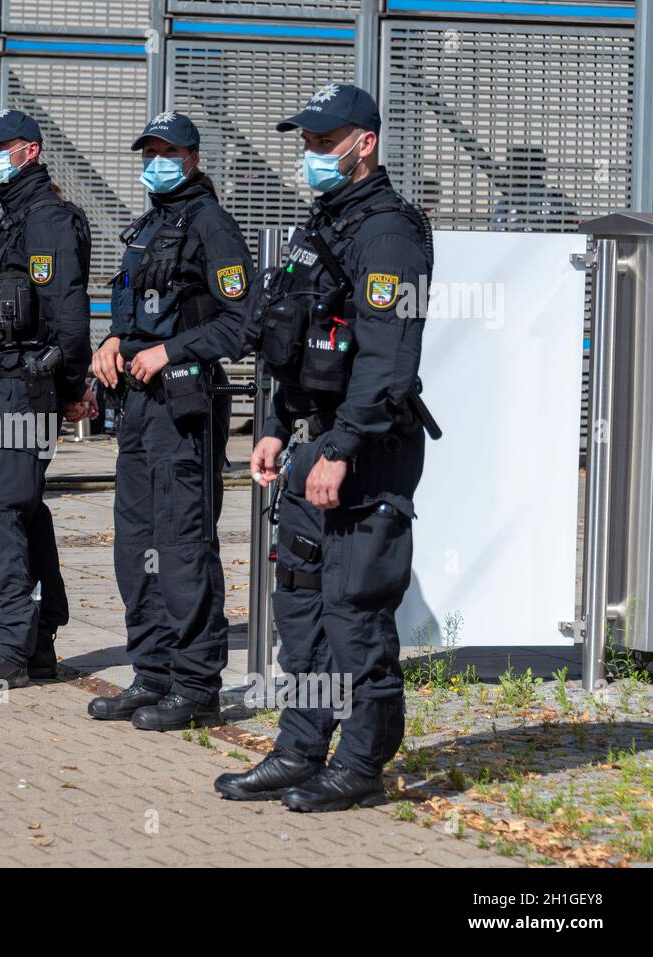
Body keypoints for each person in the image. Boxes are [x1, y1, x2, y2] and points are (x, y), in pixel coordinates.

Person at [213, 84, 433, 812]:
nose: (310, 154)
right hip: (312, 443)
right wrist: (276, 423)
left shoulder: (388, 235)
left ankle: (363, 761)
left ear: (363, 142)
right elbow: (298, 342)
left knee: (355, 610)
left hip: (363, 449)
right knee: (302, 607)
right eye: (305, 142)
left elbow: (387, 360)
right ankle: (301, 745)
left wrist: (339, 447)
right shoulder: (323, 224)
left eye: (322, 141)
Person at [87, 112, 257, 731]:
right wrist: (113, 341)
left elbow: (243, 322)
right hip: (137, 406)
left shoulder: (212, 224)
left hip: (186, 403)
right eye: (147, 152)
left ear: (191, 156)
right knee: (137, 544)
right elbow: (138, 310)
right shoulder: (150, 222)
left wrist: (170, 351)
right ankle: (151, 674)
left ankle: (195, 685)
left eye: (165, 152)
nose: (153, 162)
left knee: (182, 546)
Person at [0, 110, 93, 692]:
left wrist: (70, 387)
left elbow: (68, 313)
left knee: (1, 511)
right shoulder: (13, 219)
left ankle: (11, 643)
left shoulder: (46, 220)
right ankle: (37, 642)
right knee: (24, 508)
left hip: (26, 386)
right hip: (8, 382)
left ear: (28, 151)